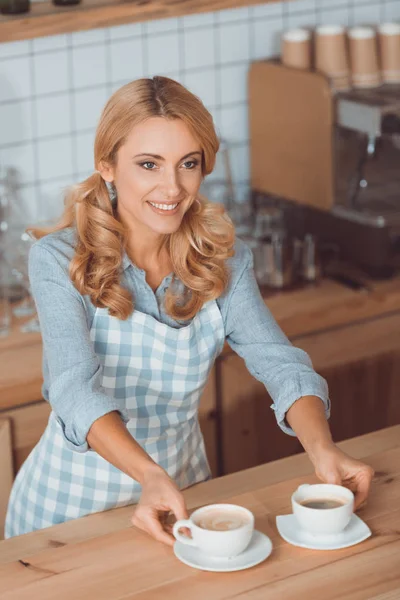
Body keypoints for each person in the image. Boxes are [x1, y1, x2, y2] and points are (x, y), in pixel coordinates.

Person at [4, 76, 374, 542]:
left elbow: (281, 364)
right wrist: (148, 475)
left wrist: (323, 449)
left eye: (188, 164)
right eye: (148, 164)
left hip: (179, 491)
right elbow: (73, 389)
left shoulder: (223, 260)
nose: (172, 187)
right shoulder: (60, 259)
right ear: (108, 166)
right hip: (69, 514)